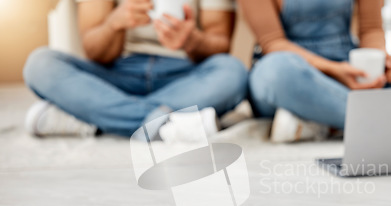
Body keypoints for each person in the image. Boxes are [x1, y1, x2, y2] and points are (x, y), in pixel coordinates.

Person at [239, 0, 391, 143]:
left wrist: (381, 62)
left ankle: (325, 121)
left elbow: (371, 29)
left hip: (348, 67)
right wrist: (333, 71)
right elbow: (273, 43)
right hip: (296, 72)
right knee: (274, 72)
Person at [23, 0, 248, 139]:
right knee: (41, 64)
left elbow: (220, 44)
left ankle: (95, 115)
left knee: (232, 73)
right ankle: (163, 124)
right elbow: (95, 51)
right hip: (117, 73)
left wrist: (191, 40)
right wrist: (114, 24)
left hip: (183, 75)